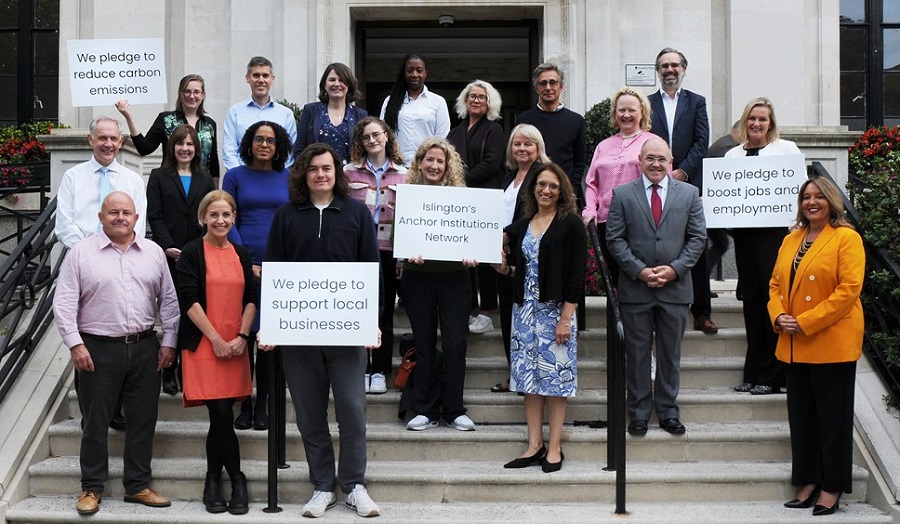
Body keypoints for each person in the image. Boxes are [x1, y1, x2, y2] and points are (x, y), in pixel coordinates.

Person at [264, 143, 382, 518]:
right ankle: (321, 485)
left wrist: (372, 321)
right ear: (304, 174)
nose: (320, 174)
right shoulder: (286, 215)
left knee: (351, 410)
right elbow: (274, 271)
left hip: (347, 333)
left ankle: (353, 485)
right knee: (309, 413)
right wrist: (271, 324)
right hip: (299, 334)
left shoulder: (356, 214)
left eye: (327, 168)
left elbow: (371, 271)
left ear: (337, 172)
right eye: (313, 169)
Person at [53, 191, 178, 516]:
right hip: (96, 350)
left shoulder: (153, 253)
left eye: (126, 212)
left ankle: (137, 485)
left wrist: (169, 341)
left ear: (137, 218)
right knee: (95, 423)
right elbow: (64, 302)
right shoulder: (81, 254)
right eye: (113, 212)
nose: (120, 217)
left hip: (144, 348)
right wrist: (75, 343)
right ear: (101, 217)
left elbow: (169, 300)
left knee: (142, 421)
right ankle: (91, 487)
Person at [769, 176, 864, 516]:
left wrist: (806, 321)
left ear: (831, 201)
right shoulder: (791, 238)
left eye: (819, 196)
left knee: (831, 421)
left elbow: (848, 290)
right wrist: (778, 316)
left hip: (830, 342)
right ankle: (807, 480)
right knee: (803, 418)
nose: (812, 202)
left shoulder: (846, 238)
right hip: (793, 344)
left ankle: (832, 486)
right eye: (806, 197)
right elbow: (775, 284)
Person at [606, 138, 706, 437]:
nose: (656, 164)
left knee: (669, 354)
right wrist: (640, 271)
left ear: (671, 160)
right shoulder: (623, 194)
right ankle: (637, 413)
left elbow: (697, 238)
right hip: (637, 289)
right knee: (636, 354)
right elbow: (615, 239)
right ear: (640, 160)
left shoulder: (689, 194)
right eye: (650, 158)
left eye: (661, 159)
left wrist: (675, 270)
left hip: (675, 290)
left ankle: (667, 411)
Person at [494, 163, 586, 473]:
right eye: (541, 184)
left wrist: (565, 318)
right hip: (523, 314)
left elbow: (575, 275)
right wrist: (503, 269)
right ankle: (534, 445)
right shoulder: (523, 224)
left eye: (553, 186)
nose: (546, 190)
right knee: (529, 382)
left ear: (562, 192)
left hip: (555, 315)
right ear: (533, 187)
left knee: (555, 382)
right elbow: (522, 270)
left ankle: (555, 445)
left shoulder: (571, 224)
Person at [176, 190, 257, 515]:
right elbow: (188, 301)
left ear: (233, 217)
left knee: (221, 417)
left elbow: (252, 297)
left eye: (226, 215)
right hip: (204, 347)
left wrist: (241, 336)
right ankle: (236, 478)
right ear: (203, 218)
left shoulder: (241, 252)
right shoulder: (193, 252)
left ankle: (213, 479)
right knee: (220, 414)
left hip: (236, 345)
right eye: (214, 215)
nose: (220, 220)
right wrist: (217, 340)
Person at [726, 97, 802, 395]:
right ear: (745, 121)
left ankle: (773, 375)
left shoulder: (787, 150)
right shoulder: (732, 155)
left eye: (763, 119)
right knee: (752, 304)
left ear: (771, 124)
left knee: (774, 302)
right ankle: (752, 371)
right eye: (752, 118)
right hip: (745, 237)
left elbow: (799, 192)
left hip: (776, 237)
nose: (756, 123)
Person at [402, 137, 478, 433]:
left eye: (440, 161)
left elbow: (474, 235)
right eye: (429, 160)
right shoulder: (408, 196)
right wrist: (407, 249)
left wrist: (474, 254)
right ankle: (424, 409)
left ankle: (454, 409)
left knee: (455, 342)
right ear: (419, 163)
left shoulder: (461, 198)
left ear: (447, 167)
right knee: (423, 343)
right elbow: (400, 235)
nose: (434, 165)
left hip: (454, 277)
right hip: (417, 276)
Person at [222, 121, 292, 430]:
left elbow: (292, 220)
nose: (265, 145)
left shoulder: (288, 178)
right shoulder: (234, 176)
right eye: (259, 139)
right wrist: (245, 261)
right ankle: (244, 403)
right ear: (249, 143)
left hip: (278, 267)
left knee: (268, 339)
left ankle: (262, 403)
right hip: (239, 265)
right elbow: (227, 218)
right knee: (244, 334)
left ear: (279, 147)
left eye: (271, 140)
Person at [648, 47, 717, 335]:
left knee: (696, 246)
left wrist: (681, 172)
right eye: (664, 65)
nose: (669, 70)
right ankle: (657, 308)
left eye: (675, 65)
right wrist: (661, 171)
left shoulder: (697, 102)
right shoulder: (647, 102)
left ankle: (701, 312)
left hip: (689, 185)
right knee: (657, 243)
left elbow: (702, 141)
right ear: (658, 71)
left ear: (684, 69)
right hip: (654, 184)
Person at [147, 124, 216, 395]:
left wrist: (191, 249)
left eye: (190, 144)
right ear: (171, 147)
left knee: (192, 312)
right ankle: (168, 368)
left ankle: (188, 367)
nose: (185, 149)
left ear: (196, 149)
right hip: (167, 254)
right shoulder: (158, 176)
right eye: (180, 144)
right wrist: (168, 246)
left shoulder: (205, 178)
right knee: (170, 312)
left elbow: (207, 215)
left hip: (196, 256)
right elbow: (155, 214)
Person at [344, 117, 407, 394]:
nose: (372, 140)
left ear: (386, 136)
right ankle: (360, 367)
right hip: (357, 252)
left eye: (376, 135)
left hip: (388, 251)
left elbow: (408, 221)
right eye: (366, 137)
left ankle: (380, 369)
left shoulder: (405, 174)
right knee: (357, 309)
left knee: (384, 312)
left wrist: (402, 258)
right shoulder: (348, 172)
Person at [492, 123, 551, 393]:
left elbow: (535, 213)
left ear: (538, 147)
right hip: (502, 253)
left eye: (528, 143)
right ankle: (514, 374)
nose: (522, 148)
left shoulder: (542, 175)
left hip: (527, 255)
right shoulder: (508, 176)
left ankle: (530, 377)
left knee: (527, 319)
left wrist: (507, 236)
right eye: (517, 143)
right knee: (508, 317)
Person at [582, 87, 659, 284]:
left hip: (640, 221)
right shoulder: (603, 145)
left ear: (642, 112)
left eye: (631, 110)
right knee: (615, 279)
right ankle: (618, 316)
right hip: (606, 222)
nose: (626, 115)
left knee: (637, 277)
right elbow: (592, 182)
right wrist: (590, 209)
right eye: (621, 110)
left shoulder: (653, 142)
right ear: (614, 114)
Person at [447, 80, 505, 334]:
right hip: (461, 202)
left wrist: (461, 181)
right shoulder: (456, 131)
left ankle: (487, 311)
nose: (476, 100)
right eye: (472, 96)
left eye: (482, 97)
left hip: (485, 201)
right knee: (463, 256)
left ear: (489, 102)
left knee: (485, 258)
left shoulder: (494, 130)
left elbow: (492, 163)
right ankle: (469, 308)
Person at [55, 116, 147, 249]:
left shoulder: (134, 180)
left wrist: (121, 250)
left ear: (120, 142)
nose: (108, 144)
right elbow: (64, 224)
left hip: (123, 257)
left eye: (114, 139)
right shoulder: (72, 177)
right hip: (82, 257)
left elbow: (138, 225)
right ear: (90, 140)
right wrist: (88, 252)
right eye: (103, 138)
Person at [115, 73, 220, 180]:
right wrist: (129, 117)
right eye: (187, 91)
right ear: (180, 94)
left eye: (196, 92)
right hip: (171, 183)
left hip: (202, 185)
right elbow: (144, 148)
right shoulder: (165, 119)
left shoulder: (210, 124)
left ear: (203, 95)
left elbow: (213, 162)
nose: (192, 96)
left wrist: (215, 193)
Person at [515, 63, 586, 204]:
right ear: (536, 88)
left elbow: (580, 161)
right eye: (543, 83)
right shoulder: (524, 120)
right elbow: (517, 157)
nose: (548, 88)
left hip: (564, 194)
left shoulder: (576, 120)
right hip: (531, 194)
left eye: (553, 83)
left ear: (561, 87)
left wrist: (571, 190)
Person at [223, 56, 298, 171]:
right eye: (256, 75)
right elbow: (229, 149)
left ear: (272, 79)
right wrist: (239, 176)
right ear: (248, 78)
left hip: (276, 179)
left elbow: (290, 151)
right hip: (243, 179)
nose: (261, 80)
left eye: (265, 75)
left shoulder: (286, 114)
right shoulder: (235, 112)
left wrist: (279, 175)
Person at [380, 52, 451, 166]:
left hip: (426, 168)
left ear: (425, 73)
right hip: (396, 167)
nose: (414, 74)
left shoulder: (438, 102)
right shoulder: (390, 101)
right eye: (409, 70)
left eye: (419, 70)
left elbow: (442, 138)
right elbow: (382, 135)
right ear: (404, 73)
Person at [294, 63, 368, 165]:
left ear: (349, 85)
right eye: (332, 80)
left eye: (341, 80)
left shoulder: (360, 115)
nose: (337, 84)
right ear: (324, 85)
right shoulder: (310, 110)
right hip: (318, 175)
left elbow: (365, 150)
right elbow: (300, 147)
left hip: (350, 177)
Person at [704, 121, 741, 277]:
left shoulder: (724, 143)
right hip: (714, 206)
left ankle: (702, 281)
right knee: (722, 243)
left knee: (722, 243)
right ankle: (701, 280)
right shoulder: (728, 149)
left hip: (714, 206)